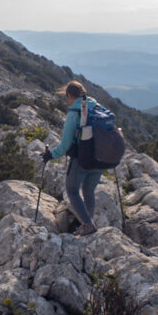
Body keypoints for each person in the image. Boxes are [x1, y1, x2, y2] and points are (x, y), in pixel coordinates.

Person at [42, 81, 104, 236]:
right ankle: (87, 224)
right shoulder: (97, 107)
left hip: (82, 158)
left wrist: (51, 155)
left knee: (72, 190)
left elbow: (65, 144)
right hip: (101, 158)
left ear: (69, 96)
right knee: (88, 191)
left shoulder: (74, 113)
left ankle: (88, 224)